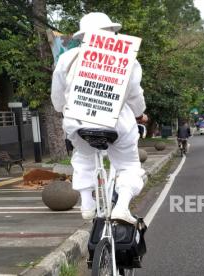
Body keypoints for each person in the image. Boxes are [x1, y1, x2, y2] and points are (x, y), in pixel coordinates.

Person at [51, 12, 147, 224]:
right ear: (111, 32)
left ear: (83, 36)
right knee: (128, 166)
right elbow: (134, 96)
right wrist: (140, 114)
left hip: (77, 124)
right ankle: (121, 206)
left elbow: (57, 99)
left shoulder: (67, 58)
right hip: (117, 124)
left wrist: (68, 109)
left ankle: (87, 204)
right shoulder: (127, 60)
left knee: (83, 158)